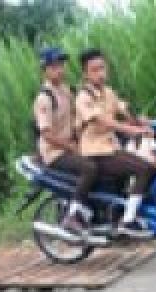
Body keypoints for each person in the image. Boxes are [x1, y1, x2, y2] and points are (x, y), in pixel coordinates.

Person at [75, 48, 156, 239]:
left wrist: (144, 122)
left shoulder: (108, 92)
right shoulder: (83, 97)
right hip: (96, 152)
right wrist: (132, 130)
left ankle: (123, 213)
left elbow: (123, 110)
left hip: (111, 147)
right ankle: (128, 221)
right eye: (94, 70)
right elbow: (103, 121)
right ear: (86, 74)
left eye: (102, 68)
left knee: (148, 164)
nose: (100, 74)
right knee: (144, 169)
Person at [33, 47, 97, 236]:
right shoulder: (44, 98)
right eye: (53, 67)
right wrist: (70, 146)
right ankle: (72, 216)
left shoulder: (67, 90)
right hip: (55, 153)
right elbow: (46, 134)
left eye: (61, 66)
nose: (59, 70)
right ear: (45, 70)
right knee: (89, 168)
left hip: (73, 146)